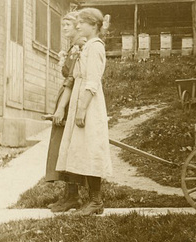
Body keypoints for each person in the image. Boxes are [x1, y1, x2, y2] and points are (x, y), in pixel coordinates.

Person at [56, 8, 112, 216]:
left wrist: (81, 109)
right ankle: (89, 200)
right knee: (81, 149)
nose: (78, 26)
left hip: (89, 103)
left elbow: (93, 80)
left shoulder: (96, 47)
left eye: (82, 23)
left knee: (91, 149)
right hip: (81, 99)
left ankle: (96, 201)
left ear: (94, 25)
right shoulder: (86, 46)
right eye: (77, 22)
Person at [46, 11, 87, 213]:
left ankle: (73, 196)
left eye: (67, 25)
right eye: (62, 25)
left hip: (71, 100)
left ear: (78, 26)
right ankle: (69, 194)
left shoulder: (80, 47)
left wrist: (62, 107)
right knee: (63, 146)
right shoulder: (72, 48)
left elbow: (72, 80)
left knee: (68, 145)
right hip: (66, 97)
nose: (64, 29)